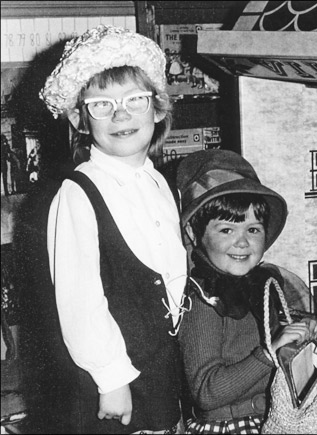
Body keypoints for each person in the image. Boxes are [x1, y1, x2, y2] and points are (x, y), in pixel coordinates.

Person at [177, 149, 317, 434]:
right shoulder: (202, 300)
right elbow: (207, 393)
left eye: (253, 229)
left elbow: (276, 349)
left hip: (281, 411)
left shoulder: (262, 283)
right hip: (234, 424)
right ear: (192, 233)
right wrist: (270, 352)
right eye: (226, 230)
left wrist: (301, 333)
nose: (242, 242)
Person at [41, 25, 188, 433]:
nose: (120, 115)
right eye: (101, 105)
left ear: (158, 110)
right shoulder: (78, 193)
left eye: (134, 101)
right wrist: (110, 378)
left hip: (160, 365)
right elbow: (79, 299)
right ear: (80, 119)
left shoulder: (159, 182)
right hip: (114, 382)